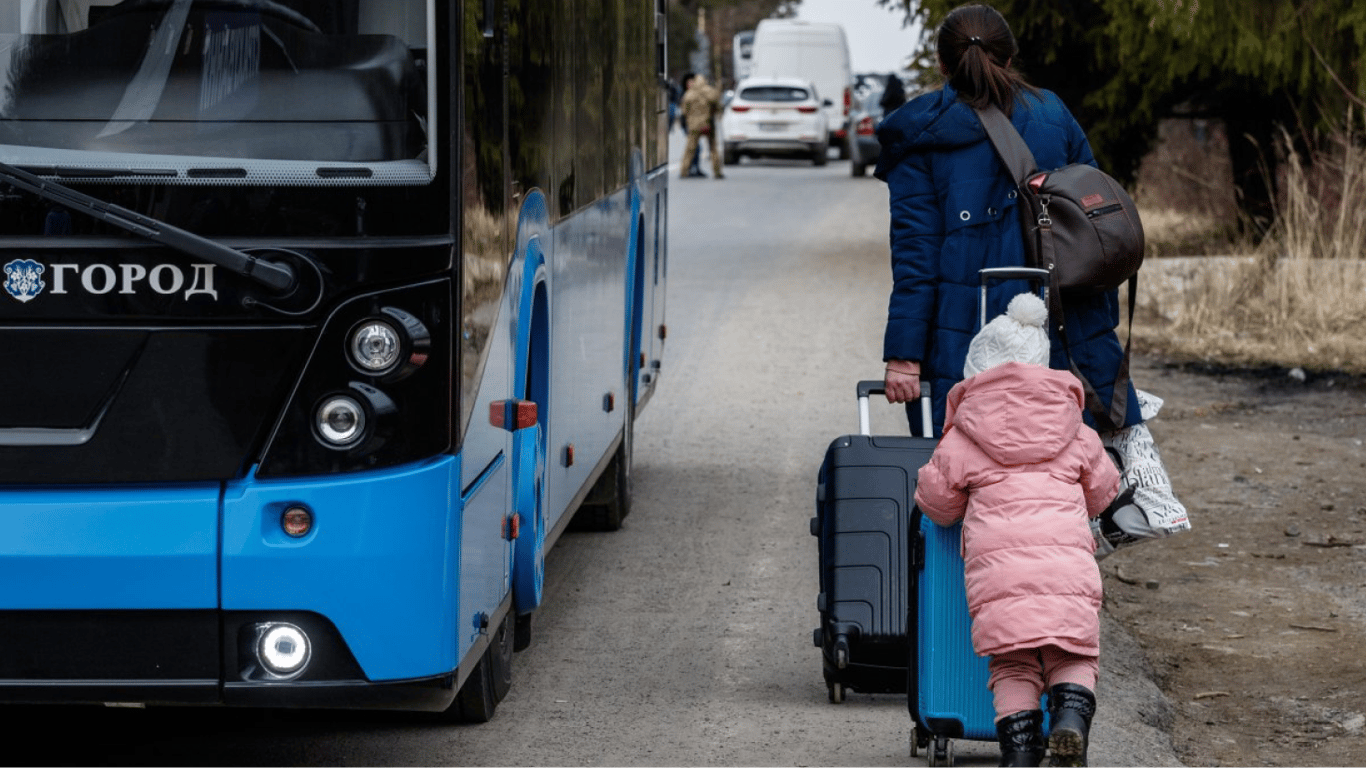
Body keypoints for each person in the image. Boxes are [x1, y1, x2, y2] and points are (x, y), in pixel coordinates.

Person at [873, 3, 1141, 437]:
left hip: (963, 338)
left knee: (970, 465)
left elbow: (915, 257)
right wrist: (1098, 327)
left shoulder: (919, 137)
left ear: (943, 64)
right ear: (1010, 57)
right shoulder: (1053, 113)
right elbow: (1097, 230)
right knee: (1070, 462)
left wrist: (904, 356)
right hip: (1062, 324)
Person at [915, 292, 1119, 768]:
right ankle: (1069, 721)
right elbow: (1104, 492)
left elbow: (938, 505)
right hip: (1067, 572)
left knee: (1013, 664)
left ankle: (1019, 754)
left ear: (977, 373)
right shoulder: (1076, 430)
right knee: (1073, 654)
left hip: (1000, 579)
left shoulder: (964, 436)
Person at [679, 74, 724, 180]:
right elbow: (718, 106)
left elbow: (684, 111)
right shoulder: (710, 91)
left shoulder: (689, 94)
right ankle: (717, 171)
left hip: (694, 125)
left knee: (689, 149)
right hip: (708, 124)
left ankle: (684, 171)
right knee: (713, 148)